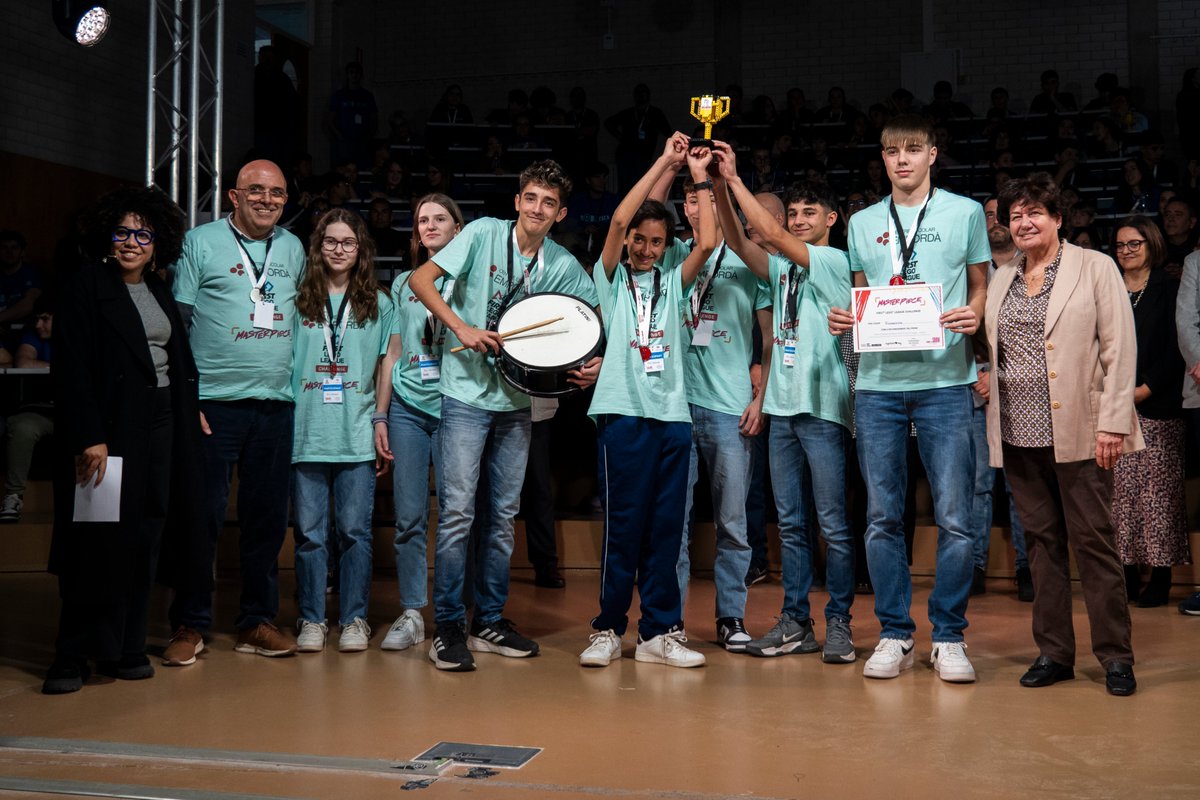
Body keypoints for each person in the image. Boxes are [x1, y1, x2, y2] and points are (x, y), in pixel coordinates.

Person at [408, 160, 601, 672]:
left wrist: (596, 361)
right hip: (465, 396)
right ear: (518, 201)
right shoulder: (482, 234)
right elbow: (420, 280)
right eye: (531, 198)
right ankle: (449, 626)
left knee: (500, 520)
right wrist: (462, 327)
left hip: (517, 403)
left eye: (549, 203)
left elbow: (591, 322)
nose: (538, 208)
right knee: (457, 515)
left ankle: (489, 620)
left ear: (561, 214)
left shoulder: (562, 263)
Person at [827, 115, 989, 683]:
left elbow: (980, 284)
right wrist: (846, 319)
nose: (902, 160)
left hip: (945, 380)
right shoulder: (862, 221)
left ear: (932, 154)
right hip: (878, 386)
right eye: (892, 151)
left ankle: (949, 636)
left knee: (955, 517)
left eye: (913, 149)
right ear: (882, 157)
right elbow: (859, 295)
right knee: (881, 517)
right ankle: (894, 633)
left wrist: (976, 313)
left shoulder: (965, 212)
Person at [43, 186, 202, 694]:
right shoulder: (84, 286)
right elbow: (71, 370)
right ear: (107, 237)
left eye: (143, 235)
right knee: (96, 540)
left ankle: (126, 647)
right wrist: (88, 436)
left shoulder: (157, 289)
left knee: (146, 535)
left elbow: (175, 360)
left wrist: (189, 411)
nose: (132, 242)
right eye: (123, 233)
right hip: (108, 432)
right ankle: (72, 655)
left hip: (160, 423)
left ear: (157, 245)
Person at [987, 173, 1141, 696]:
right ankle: (1054, 652)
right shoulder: (1003, 277)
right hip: (1017, 432)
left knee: (1094, 543)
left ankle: (1116, 656)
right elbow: (994, 345)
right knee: (1041, 545)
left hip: (1081, 430)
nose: (1024, 222)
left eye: (1034, 212)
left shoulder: (1094, 267)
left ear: (1057, 218)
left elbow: (1119, 348)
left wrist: (1113, 422)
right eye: (1015, 215)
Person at [714, 149, 857, 664]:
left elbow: (769, 234)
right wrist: (719, 189)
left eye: (808, 213)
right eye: (793, 213)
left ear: (831, 219)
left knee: (832, 525)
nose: (797, 221)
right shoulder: (781, 271)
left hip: (822, 408)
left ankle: (839, 622)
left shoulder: (834, 262)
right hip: (782, 407)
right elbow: (738, 241)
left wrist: (735, 179)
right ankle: (796, 622)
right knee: (792, 525)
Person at [578, 134, 714, 670]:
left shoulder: (674, 282)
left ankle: (659, 632)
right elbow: (616, 221)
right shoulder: (610, 280)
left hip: (672, 418)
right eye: (640, 239)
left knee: (665, 531)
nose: (646, 249)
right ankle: (608, 628)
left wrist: (699, 173)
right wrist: (664, 161)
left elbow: (707, 241)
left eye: (657, 242)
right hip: (622, 417)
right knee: (623, 529)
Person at [165, 159, 306, 665]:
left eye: (277, 193)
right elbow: (177, 326)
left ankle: (256, 621)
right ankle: (190, 622)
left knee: (265, 522)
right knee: (200, 518)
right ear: (234, 195)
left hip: (274, 406)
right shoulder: (200, 242)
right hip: (213, 406)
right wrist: (187, 401)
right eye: (257, 191)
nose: (267, 200)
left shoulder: (293, 247)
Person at [668, 157, 771, 655]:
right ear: (685, 207)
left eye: (708, 197)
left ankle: (731, 616)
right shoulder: (668, 253)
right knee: (675, 521)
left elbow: (770, 337)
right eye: (692, 198)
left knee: (733, 522)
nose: (699, 205)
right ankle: (669, 620)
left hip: (730, 406)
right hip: (674, 405)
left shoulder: (748, 259)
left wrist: (762, 397)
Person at [289, 209, 392, 653]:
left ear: (360, 249)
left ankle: (354, 618)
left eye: (348, 242)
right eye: (330, 241)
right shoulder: (299, 299)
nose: (338, 249)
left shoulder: (379, 303)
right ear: (318, 247)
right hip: (307, 431)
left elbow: (387, 363)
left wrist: (381, 417)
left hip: (355, 432)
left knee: (355, 533)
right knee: (310, 536)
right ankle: (312, 618)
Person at [374, 193, 464, 651]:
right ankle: (412, 612)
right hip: (408, 409)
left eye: (439, 219)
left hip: (456, 407)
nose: (429, 226)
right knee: (409, 518)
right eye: (422, 220)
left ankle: (452, 613)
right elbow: (392, 353)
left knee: (455, 516)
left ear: (457, 229)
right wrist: (381, 414)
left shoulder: (470, 280)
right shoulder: (403, 283)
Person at [1109, 218, 1188, 608]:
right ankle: (1124, 572)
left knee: (1158, 497)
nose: (1125, 251)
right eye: (1120, 245)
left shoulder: (1169, 289)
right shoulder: (1108, 288)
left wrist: (1144, 390)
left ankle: (1160, 576)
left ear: (1152, 245)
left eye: (1134, 244)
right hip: (1113, 406)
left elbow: (1178, 348)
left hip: (1157, 404)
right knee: (1119, 497)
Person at [983, 197, 1033, 601]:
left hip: (1020, 393)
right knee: (976, 487)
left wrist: (998, 376)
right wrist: (977, 374)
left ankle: (1026, 568)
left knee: (1021, 488)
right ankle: (974, 567)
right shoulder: (969, 270)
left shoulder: (1031, 268)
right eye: (990, 215)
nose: (997, 221)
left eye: (1005, 214)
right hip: (975, 392)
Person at [0, 299, 55, 523]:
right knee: (22, 426)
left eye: (45, 319)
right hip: (40, 410)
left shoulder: (79, 334)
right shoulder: (33, 336)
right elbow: (23, 362)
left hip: (74, 411)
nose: (39, 325)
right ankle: (14, 496)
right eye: (37, 319)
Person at [605, 84, 672, 195]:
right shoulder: (628, 113)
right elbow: (608, 123)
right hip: (626, 154)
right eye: (638, 93)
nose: (641, 95)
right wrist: (620, 137)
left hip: (644, 155)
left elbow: (668, 133)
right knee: (625, 187)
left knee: (642, 186)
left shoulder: (655, 113)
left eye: (643, 92)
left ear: (648, 95)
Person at [324, 61, 377, 168]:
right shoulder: (339, 95)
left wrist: (369, 135)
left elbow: (374, 118)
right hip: (344, 141)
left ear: (361, 75)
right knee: (344, 168)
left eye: (357, 72)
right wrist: (339, 136)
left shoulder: (367, 96)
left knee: (362, 168)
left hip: (362, 141)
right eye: (351, 72)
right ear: (347, 75)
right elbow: (330, 119)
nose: (354, 75)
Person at [0, 229, 42, 327]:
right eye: (4, 247)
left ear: (22, 252)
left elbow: (28, 304)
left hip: (23, 328)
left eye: (14, 248)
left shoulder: (31, 273)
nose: (9, 252)